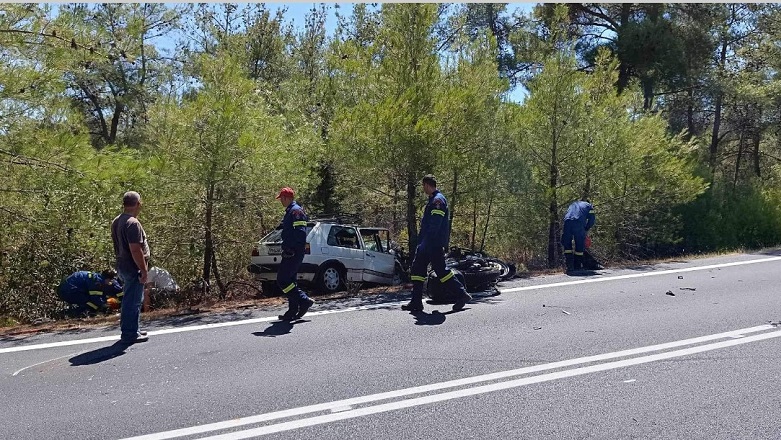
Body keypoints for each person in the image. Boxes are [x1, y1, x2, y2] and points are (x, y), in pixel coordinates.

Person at [402, 174, 472, 313]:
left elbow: (435, 225)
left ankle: (461, 294)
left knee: (439, 271)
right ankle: (416, 301)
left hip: (432, 244)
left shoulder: (438, 201)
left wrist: (425, 243)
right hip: (429, 243)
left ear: (427, 185)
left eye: (423, 186)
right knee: (419, 270)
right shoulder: (433, 199)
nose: (423, 189)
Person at [111, 191, 149, 344]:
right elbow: (135, 249)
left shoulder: (117, 220)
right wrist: (143, 270)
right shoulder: (132, 223)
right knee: (132, 300)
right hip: (132, 266)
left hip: (122, 264)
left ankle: (134, 328)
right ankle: (129, 333)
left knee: (133, 298)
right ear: (138, 204)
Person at [275, 187, 315, 321]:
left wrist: (292, 249)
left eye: (281, 198)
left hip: (294, 252)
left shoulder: (296, 211)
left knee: (282, 279)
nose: (281, 201)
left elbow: (301, 232)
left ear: (286, 198)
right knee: (290, 280)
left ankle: (303, 300)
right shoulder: (290, 211)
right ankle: (292, 311)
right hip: (291, 251)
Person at [58, 269, 123, 316]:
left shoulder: (99, 278)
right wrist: (104, 307)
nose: (110, 283)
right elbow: (95, 299)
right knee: (89, 302)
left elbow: (117, 290)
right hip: (68, 291)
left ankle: (79, 312)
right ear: (107, 279)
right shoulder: (97, 282)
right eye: (110, 281)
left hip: (70, 288)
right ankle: (75, 314)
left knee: (92, 302)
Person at [561, 199, 596, 273]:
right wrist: (586, 228)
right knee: (579, 244)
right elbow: (592, 220)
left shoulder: (573, 204)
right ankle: (577, 266)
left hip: (567, 222)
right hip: (578, 223)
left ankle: (569, 266)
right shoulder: (589, 206)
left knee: (567, 244)